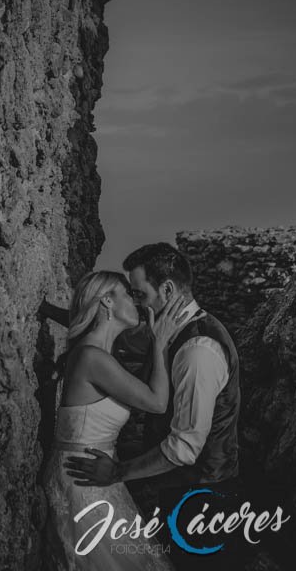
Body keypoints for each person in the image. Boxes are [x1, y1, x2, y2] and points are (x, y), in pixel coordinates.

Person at [65, 244, 243, 571]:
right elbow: (108, 335)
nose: (137, 303)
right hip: (179, 490)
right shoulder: (169, 333)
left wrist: (118, 472)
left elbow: (184, 448)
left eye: (140, 294)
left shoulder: (197, 351)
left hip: (200, 496)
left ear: (168, 289)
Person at [41, 269, 199, 570]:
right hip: (82, 480)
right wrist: (160, 343)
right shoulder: (92, 358)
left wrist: (49, 309)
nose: (136, 302)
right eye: (128, 294)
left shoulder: (99, 353)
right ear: (107, 302)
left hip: (95, 475)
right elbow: (157, 402)